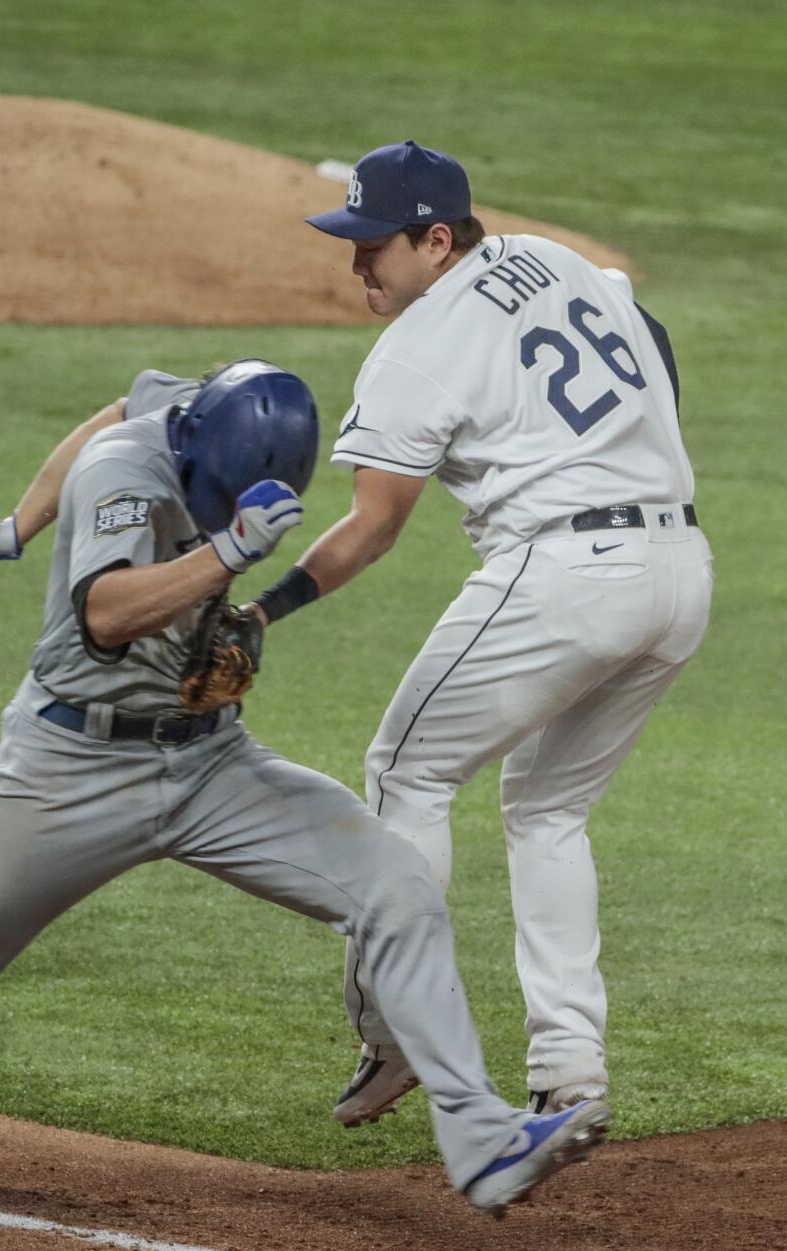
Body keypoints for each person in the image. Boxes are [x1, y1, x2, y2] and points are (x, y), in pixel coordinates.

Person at [0, 358, 610, 1215]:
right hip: (70, 771)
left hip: (210, 764)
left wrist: (14, 526)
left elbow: (117, 400)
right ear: (192, 450)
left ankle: (480, 1137)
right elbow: (107, 615)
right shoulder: (125, 474)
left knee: (397, 887)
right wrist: (226, 554)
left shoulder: (194, 405)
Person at [245, 141, 713, 1127]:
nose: (358, 264)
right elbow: (646, 326)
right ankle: (571, 1072)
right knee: (547, 810)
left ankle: (398, 1033)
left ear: (436, 238)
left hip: (570, 577)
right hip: (682, 574)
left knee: (406, 772)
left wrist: (262, 610)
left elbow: (373, 526)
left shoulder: (418, 346)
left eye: (374, 244)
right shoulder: (557, 258)